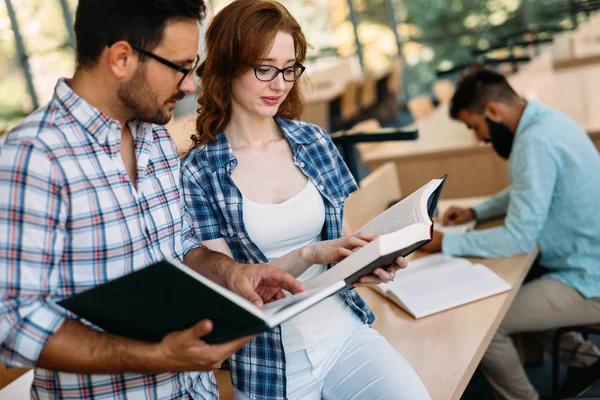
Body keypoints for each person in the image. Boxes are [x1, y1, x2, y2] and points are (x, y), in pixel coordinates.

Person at [0, 0, 373, 398]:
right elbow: (13, 324)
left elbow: (185, 248)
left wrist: (234, 273)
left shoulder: (156, 141)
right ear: (122, 58)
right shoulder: (32, 157)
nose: (190, 85)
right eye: (179, 67)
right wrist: (154, 355)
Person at [180, 1, 432, 399]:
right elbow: (234, 289)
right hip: (270, 362)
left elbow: (342, 241)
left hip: (343, 333)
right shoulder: (199, 172)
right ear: (228, 66)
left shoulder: (313, 141)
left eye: (290, 68)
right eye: (264, 68)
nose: (280, 83)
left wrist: (370, 259)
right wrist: (310, 254)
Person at [422, 65, 600, 400]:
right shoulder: (548, 121)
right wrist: (478, 211)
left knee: (488, 325)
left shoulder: (533, 143)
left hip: (590, 279)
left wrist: (447, 242)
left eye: (475, 127)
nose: (480, 138)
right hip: (588, 260)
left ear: (492, 111)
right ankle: (583, 361)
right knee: (518, 286)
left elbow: (518, 238)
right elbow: (529, 188)